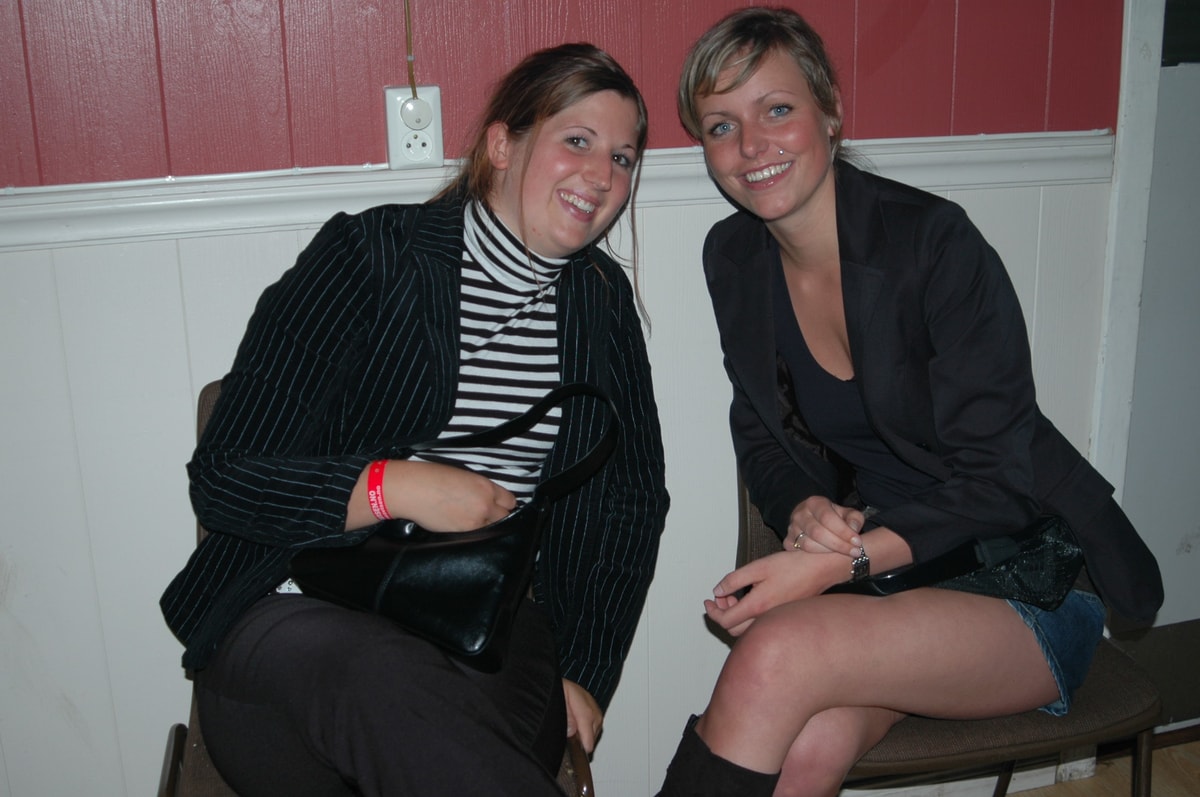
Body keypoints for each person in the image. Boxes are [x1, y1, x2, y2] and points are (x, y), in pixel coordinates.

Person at [657, 8, 1163, 797]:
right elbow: (759, 432)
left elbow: (998, 485)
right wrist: (805, 509)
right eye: (722, 125)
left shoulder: (933, 243)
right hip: (890, 591)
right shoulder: (734, 257)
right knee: (805, 749)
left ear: (830, 111)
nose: (751, 144)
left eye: (776, 109)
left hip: (1024, 580)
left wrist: (838, 561)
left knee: (777, 652)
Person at [160, 42, 669, 797]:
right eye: (577, 140)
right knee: (374, 676)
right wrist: (394, 487)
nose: (601, 175)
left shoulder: (600, 303)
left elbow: (629, 501)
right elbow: (225, 477)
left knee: (435, 722)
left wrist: (587, 671)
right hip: (294, 625)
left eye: (623, 159)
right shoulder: (370, 256)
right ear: (502, 144)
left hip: (485, 634)